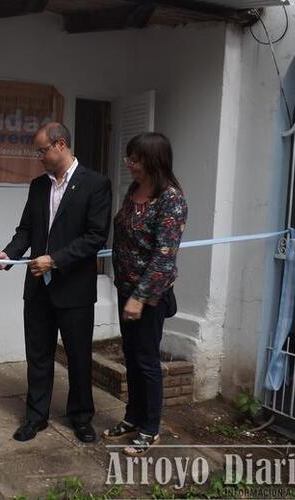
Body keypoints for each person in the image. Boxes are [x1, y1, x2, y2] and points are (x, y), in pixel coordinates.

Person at [0, 122, 111, 443]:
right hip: (38, 288)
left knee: (79, 357)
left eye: (42, 150)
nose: (39, 157)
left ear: (60, 145)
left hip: (75, 289)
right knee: (39, 356)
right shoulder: (38, 186)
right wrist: (9, 253)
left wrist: (55, 259)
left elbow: (96, 237)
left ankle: (81, 417)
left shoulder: (96, 184)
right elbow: (26, 231)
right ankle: (35, 417)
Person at [103, 132, 187, 456]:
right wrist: (126, 291)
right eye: (129, 157)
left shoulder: (171, 200)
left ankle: (151, 429)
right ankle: (133, 417)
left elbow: (164, 256)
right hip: (126, 289)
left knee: (147, 360)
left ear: (154, 160)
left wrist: (139, 297)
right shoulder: (134, 191)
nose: (130, 164)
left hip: (149, 297)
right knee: (131, 356)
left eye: (135, 159)